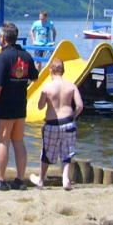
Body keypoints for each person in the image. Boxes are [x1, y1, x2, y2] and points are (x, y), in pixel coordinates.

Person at [0, 22, 39, 191]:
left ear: (2, 38)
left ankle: (1, 180)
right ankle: (20, 180)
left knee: (3, 142)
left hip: (5, 107)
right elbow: (35, 77)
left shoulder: (1, 59)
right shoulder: (26, 56)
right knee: (19, 142)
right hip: (20, 106)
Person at [30, 59, 84, 190]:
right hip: (68, 123)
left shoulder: (47, 87)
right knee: (67, 152)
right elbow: (80, 106)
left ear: (51, 71)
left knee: (47, 153)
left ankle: (41, 180)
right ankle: (66, 180)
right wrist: (73, 117)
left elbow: (40, 106)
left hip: (52, 124)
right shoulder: (71, 86)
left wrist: (45, 99)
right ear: (63, 71)